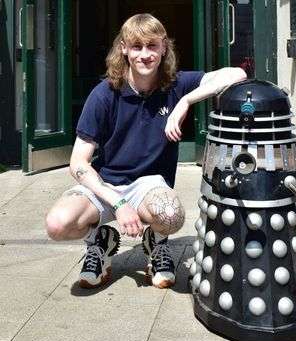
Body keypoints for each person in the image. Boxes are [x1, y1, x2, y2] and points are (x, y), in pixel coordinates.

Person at [45, 13, 247, 289]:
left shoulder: (175, 85)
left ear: (164, 48)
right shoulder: (104, 94)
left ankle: (157, 241)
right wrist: (118, 203)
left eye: (152, 46)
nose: (145, 55)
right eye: (137, 46)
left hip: (149, 185)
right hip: (106, 184)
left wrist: (186, 101)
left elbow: (237, 74)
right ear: (124, 49)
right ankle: (99, 243)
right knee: (58, 224)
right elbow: (78, 162)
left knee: (172, 216)